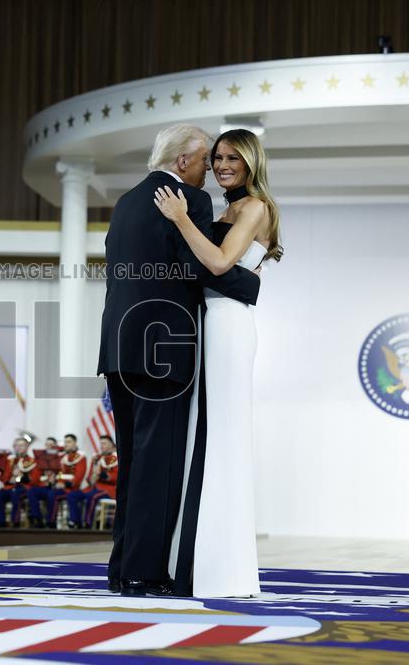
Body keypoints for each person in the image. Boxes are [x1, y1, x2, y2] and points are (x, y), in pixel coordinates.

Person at [97, 125, 261, 597]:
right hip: (165, 352)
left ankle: (121, 567)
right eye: (208, 161)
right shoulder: (189, 200)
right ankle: (144, 573)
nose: (211, 171)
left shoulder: (126, 202)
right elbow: (202, 267)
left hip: (120, 349)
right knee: (160, 465)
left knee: (131, 463)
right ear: (185, 161)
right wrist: (253, 285)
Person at [154, 128, 282, 598]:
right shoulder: (226, 208)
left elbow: (221, 263)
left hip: (228, 328)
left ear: (251, 163)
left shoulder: (254, 208)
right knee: (200, 442)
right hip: (207, 324)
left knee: (222, 440)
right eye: (218, 158)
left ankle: (222, 571)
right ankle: (195, 565)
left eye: (233, 158)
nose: (223, 166)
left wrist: (182, 219)